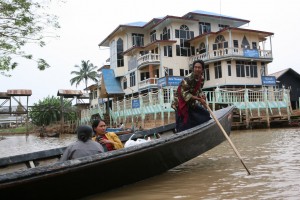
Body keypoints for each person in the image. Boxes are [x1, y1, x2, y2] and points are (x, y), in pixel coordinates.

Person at [172, 60, 211, 132]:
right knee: (182, 125)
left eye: (199, 68)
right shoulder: (187, 79)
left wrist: (202, 96)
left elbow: (199, 89)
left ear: (202, 69)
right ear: (193, 69)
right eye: (195, 67)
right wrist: (199, 99)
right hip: (180, 104)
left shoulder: (201, 79)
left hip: (190, 103)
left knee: (205, 114)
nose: (197, 69)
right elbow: (185, 95)